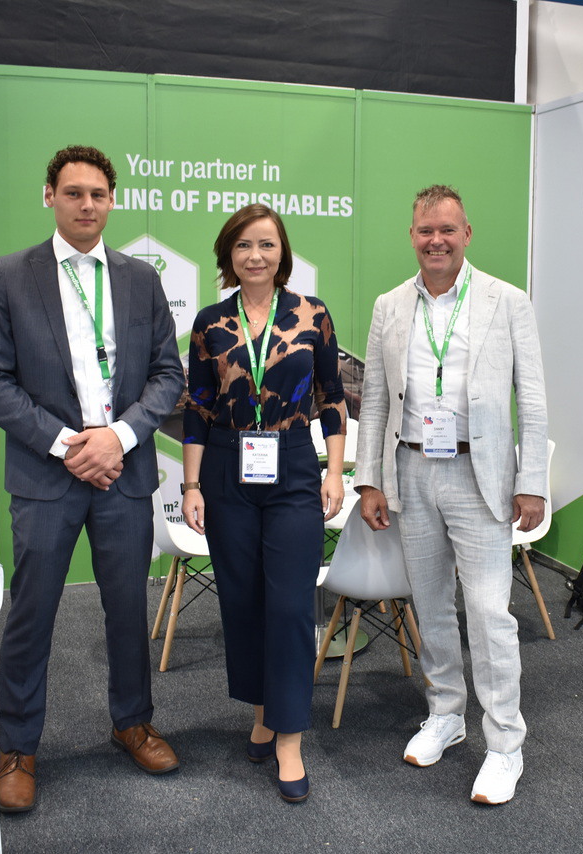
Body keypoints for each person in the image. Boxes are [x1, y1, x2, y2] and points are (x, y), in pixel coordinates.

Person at [0, 144, 185, 813]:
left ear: (112, 200)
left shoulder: (140, 279)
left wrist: (117, 437)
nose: (86, 204)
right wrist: (70, 445)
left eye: (97, 194)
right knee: (32, 614)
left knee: (127, 608)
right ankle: (17, 748)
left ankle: (133, 723)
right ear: (50, 196)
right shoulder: (10, 276)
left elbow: (167, 374)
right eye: (73, 193)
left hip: (123, 470)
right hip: (48, 474)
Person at [353, 185, 548, 805]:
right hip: (411, 470)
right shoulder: (389, 305)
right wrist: (369, 478)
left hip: (478, 473)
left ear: (466, 234)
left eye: (446, 230)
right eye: (424, 231)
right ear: (412, 236)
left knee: (489, 613)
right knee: (431, 605)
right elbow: (375, 400)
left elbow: (532, 398)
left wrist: (532, 483)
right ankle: (445, 713)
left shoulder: (507, 301)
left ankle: (505, 744)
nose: (435, 240)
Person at [180, 204, 346, 804]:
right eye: (244, 245)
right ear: (229, 254)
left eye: (267, 244)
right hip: (227, 467)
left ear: (283, 253)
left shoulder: (312, 314)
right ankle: (263, 714)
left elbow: (331, 397)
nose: (256, 255)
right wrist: (191, 486)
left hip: (293, 467)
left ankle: (290, 737)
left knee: (291, 605)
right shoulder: (210, 322)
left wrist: (334, 472)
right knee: (243, 600)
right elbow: (196, 409)